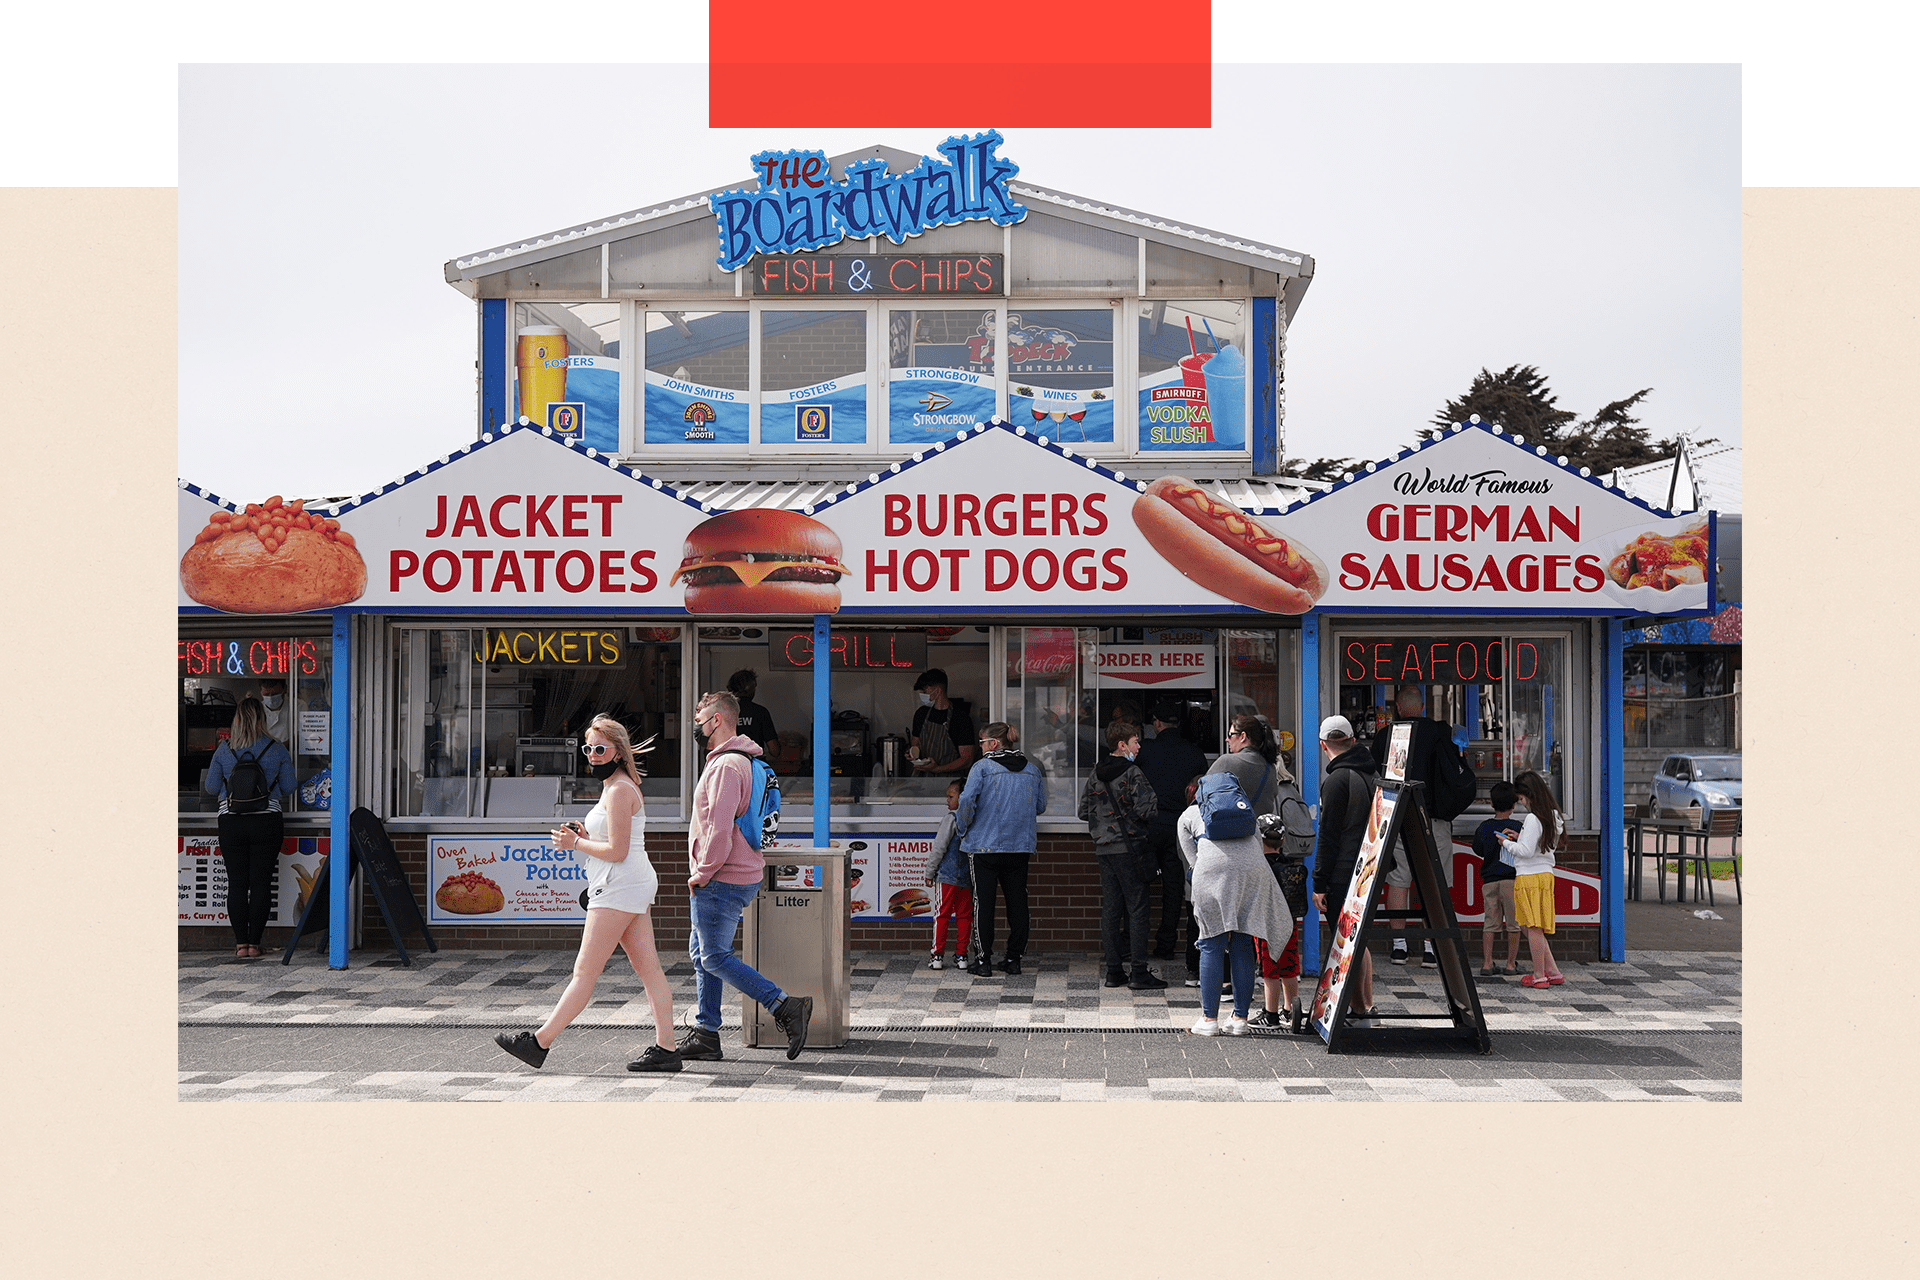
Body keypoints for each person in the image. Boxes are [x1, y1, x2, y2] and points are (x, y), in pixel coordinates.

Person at [494, 716, 682, 1073]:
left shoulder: (620, 790)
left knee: (585, 972)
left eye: (600, 749)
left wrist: (576, 843)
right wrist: (586, 837)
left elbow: (618, 851)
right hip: (627, 883)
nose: (592, 755)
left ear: (618, 751)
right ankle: (667, 1048)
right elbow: (614, 844)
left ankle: (539, 1042)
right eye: (588, 749)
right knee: (649, 969)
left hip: (618, 884)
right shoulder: (615, 786)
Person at [683, 690, 814, 1060]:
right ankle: (706, 1033)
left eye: (699, 721)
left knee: (714, 957)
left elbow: (719, 829)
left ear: (718, 721)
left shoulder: (726, 766)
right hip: (740, 870)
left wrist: (703, 873)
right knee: (702, 952)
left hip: (722, 875)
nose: (697, 728)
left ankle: (784, 1005)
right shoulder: (746, 760)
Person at [1176, 777, 1294, 1036]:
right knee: (1242, 941)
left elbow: (1193, 861)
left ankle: (1209, 1020)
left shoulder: (1189, 814)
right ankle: (1240, 1018)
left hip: (1212, 872)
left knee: (1211, 943)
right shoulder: (1246, 813)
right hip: (1252, 874)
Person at [1370, 684, 1465, 967]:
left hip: (1398, 816)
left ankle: (1399, 947)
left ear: (1398, 709)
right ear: (1423, 707)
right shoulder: (1441, 734)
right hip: (1434, 819)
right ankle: (1430, 947)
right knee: (1434, 883)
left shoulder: (1386, 736)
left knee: (1398, 882)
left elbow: (1375, 779)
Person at [204, 696, 296, 959]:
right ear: (262, 719)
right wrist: (270, 788)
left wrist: (228, 790)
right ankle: (255, 944)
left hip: (231, 821)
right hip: (266, 821)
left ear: (237, 720)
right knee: (260, 883)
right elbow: (289, 787)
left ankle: (240, 945)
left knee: (236, 883)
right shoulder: (276, 749)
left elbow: (211, 788)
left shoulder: (224, 749)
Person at [1078, 721, 1167, 990]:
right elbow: (1149, 810)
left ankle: (1113, 971)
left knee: (1111, 909)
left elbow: (1083, 811)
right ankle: (1139, 972)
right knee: (1138, 909)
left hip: (1104, 849)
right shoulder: (1133, 773)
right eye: (1135, 741)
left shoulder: (1096, 773)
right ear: (1122, 745)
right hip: (1130, 849)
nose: (1139, 746)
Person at [956, 720, 1046, 977]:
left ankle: (983, 961)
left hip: (983, 846)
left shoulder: (982, 768)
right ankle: (1014, 959)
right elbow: (1040, 806)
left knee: (983, 904)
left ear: (993, 743)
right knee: (1018, 903)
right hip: (1019, 847)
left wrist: (963, 829)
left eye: (982, 743)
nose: (980, 748)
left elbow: (965, 801)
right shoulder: (1032, 769)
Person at [1310, 716, 1380, 1019]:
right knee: (1359, 940)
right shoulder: (1371, 773)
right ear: (1352, 741)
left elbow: (1328, 835)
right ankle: (1365, 1004)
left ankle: (1359, 1007)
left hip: (1342, 874)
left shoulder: (1337, 780)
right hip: (1367, 870)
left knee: (1347, 942)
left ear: (1323, 746)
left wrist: (1319, 883)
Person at [1135, 700, 1206, 967]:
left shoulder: (1147, 750)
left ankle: (1136, 943)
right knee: (1174, 888)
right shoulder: (1195, 752)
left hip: (1150, 824)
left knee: (1140, 885)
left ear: (1157, 724)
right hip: (1181, 827)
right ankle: (1166, 943)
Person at [1249, 803, 1313, 1032]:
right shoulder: (1290, 866)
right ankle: (1290, 1009)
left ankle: (1271, 1015)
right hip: (1290, 923)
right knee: (1289, 967)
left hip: (1265, 925)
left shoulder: (1258, 867)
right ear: (1283, 840)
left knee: (1269, 970)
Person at [1503, 770, 1567, 989]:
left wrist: (1505, 843)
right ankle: (1553, 971)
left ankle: (1539, 975)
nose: (1521, 803)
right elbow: (1539, 845)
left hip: (1529, 877)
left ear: (1529, 794)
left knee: (1532, 927)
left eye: (1521, 798)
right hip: (1545, 875)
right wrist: (1520, 837)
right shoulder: (1552, 815)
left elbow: (1525, 851)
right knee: (1531, 926)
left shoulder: (1532, 818)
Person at [1473, 779, 1526, 977]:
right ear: (1514, 805)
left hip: (1489, 881)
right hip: (1512, 881)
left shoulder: (1484, 827)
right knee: (1513, 924)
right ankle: (1511, 964)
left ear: (1491, 803)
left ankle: (1487, 964)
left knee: (1490, 923)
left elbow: (1478, 849)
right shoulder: (1517, 827)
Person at [924, 779, 972, 970]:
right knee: (964, 917)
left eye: (951, 796)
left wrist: (930, 871)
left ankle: (937, 956)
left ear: (963, 797)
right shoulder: (973, 818)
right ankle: (962, 956)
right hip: (968, 876)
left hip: (947, 876)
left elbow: (939, 848)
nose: (947, 800)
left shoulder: (950, 819)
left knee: (941, 915)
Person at [1208, 714, 1283, 816]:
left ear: (1243, 736)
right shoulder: (1270, 768)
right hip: (1259, 830)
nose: (1227, 739)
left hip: (1230, 830)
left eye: (1230, 735)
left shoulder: (1226, 762)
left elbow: (1202, 795)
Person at [909, 668, 976, 779]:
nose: (921, 694)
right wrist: (912, 754)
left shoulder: (960, 718)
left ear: (938, 690)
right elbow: (915, 744)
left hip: (950, 783)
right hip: (922, 780)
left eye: (925, 691)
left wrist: (938, 769)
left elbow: (967, 759)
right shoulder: (921, 714)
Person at [726, 668, 779, 751]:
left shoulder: (723, 712)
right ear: (750, 688)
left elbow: (708, 750)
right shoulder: (760, 712)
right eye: (754, 687)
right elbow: (774, 750)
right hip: (754, 762)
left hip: (730, 762)